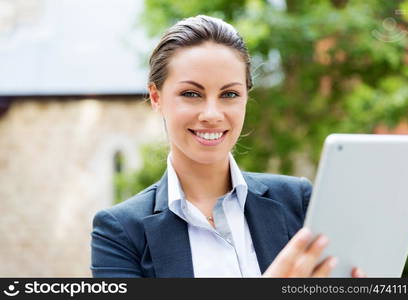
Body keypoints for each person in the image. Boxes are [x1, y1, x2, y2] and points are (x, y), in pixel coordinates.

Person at [90, 15, 365, 278]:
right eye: (191, 94)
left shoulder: (297, 201)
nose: (212, 114)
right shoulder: (119, 232)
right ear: (156, 97)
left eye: (229, 94)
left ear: (246, 98)